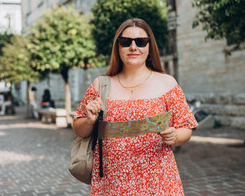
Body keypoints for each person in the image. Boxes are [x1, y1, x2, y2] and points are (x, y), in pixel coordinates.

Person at [73, 18, 198, 195]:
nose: (133, 47)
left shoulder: (167, 84)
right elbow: (78, 128)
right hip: (112, 182)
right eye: (126, 42)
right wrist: (89, 121)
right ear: (118, 47)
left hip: (158, 179)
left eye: (140, 42)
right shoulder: (100, 85)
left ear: (149, 47)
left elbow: (186, 126)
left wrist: (175, 136)